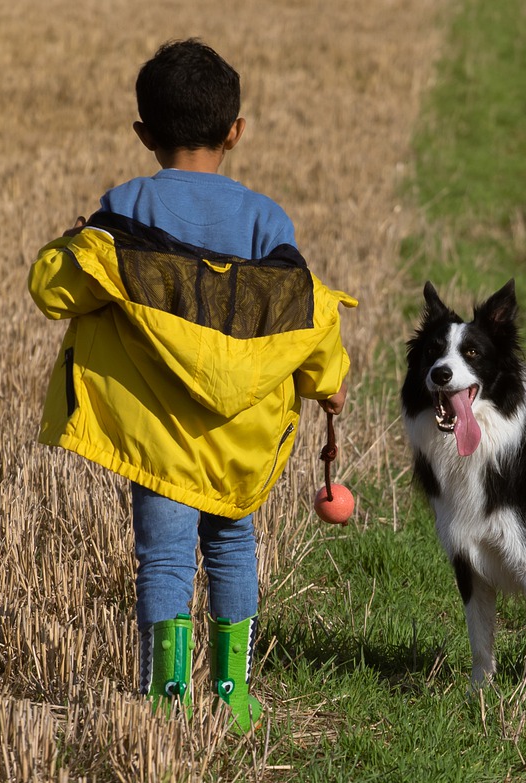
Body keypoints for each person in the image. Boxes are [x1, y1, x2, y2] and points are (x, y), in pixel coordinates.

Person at [27, 39, 354, 734]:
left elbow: (56, 292)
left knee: (165, 556)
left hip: (157, 437)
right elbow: (301, 310)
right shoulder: (267, 220)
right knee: (234, 546)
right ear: (235, 131)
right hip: (239, 441)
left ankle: (167, 697)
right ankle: (232, 691)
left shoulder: (126, 209)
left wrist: (70, 243)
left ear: (144, 135)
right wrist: (329, 383)